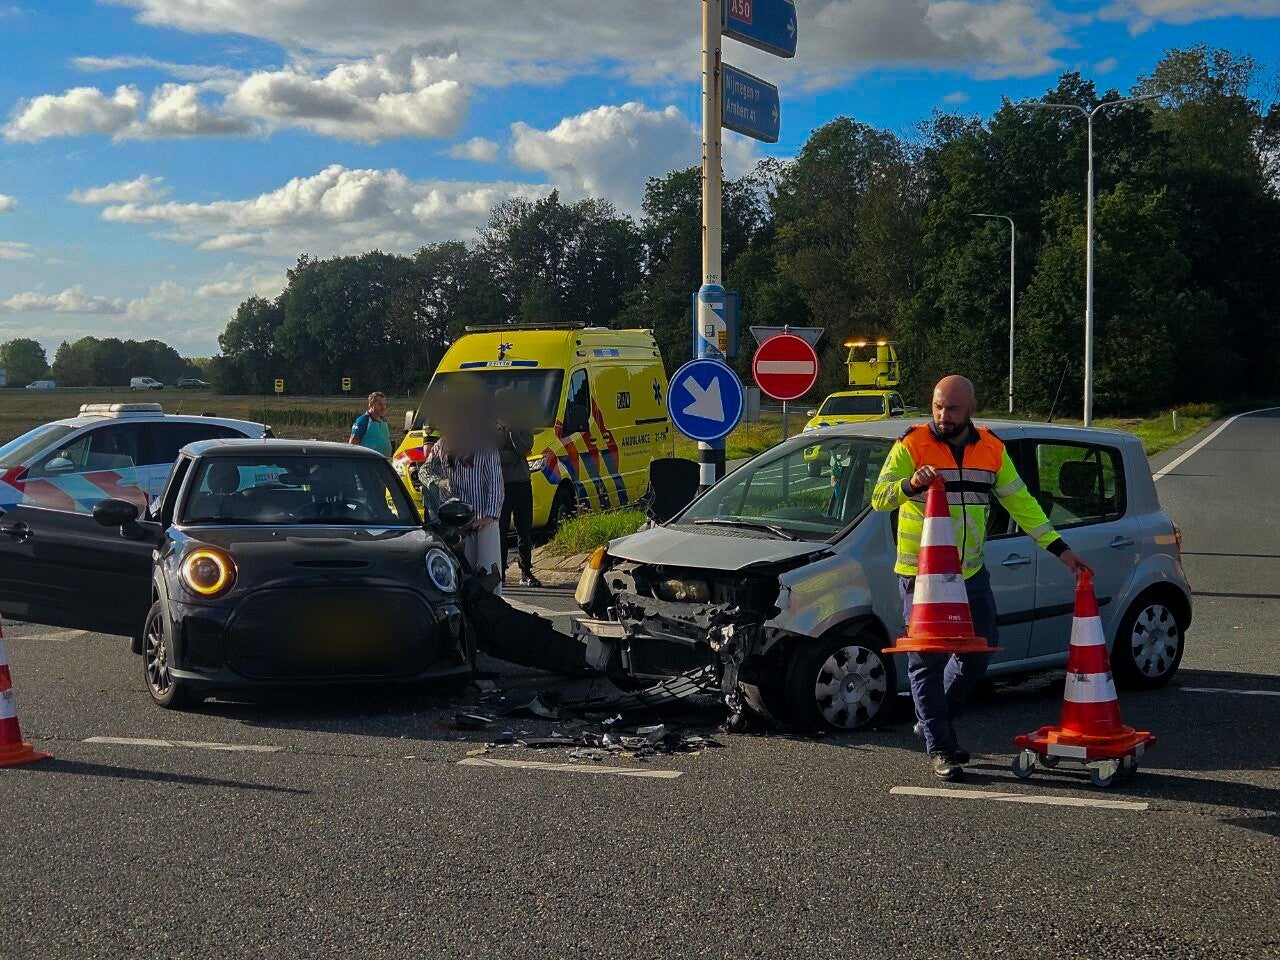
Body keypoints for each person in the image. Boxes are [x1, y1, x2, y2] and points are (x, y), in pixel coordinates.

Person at [872, 375, 1089, 782]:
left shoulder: (990, 448)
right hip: (921, 578)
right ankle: (940, 746)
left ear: (971, 408)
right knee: (926, 661)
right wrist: (910, 483)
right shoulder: (912, 444)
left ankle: (936, 718)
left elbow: (1021, 502)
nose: (942, 415)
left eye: (952, 409)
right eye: (937, 406)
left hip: (970, 571)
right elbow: (880, 497)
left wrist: (1060, 549)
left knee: (979, 653)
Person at [419, 391, 505, 595]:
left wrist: (489, 516)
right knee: (461, 573)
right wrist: (439, 481)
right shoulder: (443, 445)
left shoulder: (486, 447)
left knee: (487, 573)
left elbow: (496, 484)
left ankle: (492, 609)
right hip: (456, 522)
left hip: (483, 521)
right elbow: (425, 470)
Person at [495, 388, 539, 588]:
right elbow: (491, 455)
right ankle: (501, 572)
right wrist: (513, 455)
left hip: (521, 481)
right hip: (501, 484)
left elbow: (525, 449)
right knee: (501, 529)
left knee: (524, 528)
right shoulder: (491, 425)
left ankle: (526, 571)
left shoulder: (523, 422)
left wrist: (513, 432)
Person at [349, 391, 392, 457]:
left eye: (384, 404)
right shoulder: (363, 421)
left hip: (384, 462)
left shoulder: (384, 420)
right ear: (371, 405)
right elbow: (352, 445)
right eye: (380, 404)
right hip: (369, 463)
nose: (383, 408)